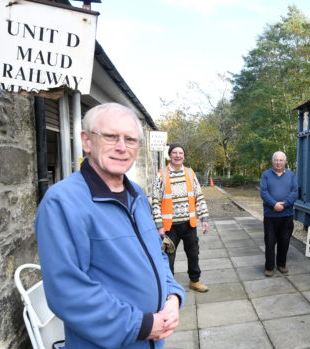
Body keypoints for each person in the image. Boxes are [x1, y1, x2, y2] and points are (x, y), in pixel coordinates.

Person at [35, 103, 185, 348]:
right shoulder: (62, 202)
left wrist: (173, 296)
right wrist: (142, 325)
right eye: (111, 136)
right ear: (86, 141)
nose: (121, 147)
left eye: (130, 139)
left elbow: (157, 255)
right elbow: (68, 291)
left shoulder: (136, 193)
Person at [151, 143, 210, 293]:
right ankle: (169, 287)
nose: (178, 156)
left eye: (180, 153)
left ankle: (194, 281)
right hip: (170, 227)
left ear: (184, 156)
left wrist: (204, 219)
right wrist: (159, 225)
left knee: (193, 253)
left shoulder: (190, 173)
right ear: (170, 155)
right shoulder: (161, 174)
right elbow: (155, 201)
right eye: (175, 153)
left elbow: (199, 197)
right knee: (168, 257)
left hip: (189, 223)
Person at [260, 151, 298, 277]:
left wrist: (285, 204)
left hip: (286, 215)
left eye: (281, 160)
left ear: (285, 161)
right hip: (270, 215)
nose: (278, 162)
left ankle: (281, 264)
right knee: (270, 242)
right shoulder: (266, 175)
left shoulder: (291, 175)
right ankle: (269, 267)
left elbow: (295, 192)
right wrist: (274, 204)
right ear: (272, 161)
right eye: (276, 160)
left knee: (284, 241)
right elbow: (263, 192)